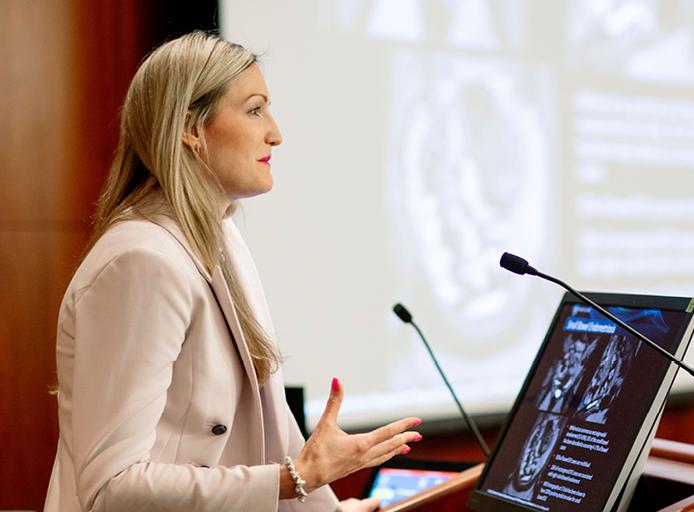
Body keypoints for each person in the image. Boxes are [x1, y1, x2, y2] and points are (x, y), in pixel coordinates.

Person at [43, 31, 421, 512]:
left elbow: (274, 438)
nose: (276, 133)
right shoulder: (141, 260)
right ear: (189, 128)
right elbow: (112, 490)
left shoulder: (223, 239)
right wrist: (294, 478)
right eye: (255, 109)